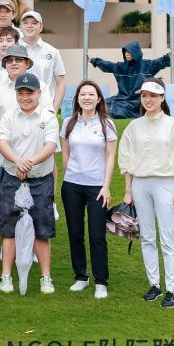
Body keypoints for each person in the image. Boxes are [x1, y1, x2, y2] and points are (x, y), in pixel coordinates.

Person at [119, 78, 174, 309]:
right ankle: (154, 284)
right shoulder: (134, 126)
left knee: (167, 237)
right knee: (147, 236)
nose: (148, 100)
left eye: (153, 95)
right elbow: (127, 160)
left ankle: (171, 290)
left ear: (162, 98)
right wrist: (128, 191)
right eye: (144, 96)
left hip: (166, 183)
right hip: (140, 184)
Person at [0, 73, 59, 294]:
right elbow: (2, 143)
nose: (25, 97)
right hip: (12, 178)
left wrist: (28, 163)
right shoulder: (8, 116)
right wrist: (18, 162)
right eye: (20, 93)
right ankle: (5, 275)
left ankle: (45, 277)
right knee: (9, 229)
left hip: (40, 179)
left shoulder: (48, 117)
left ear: (39, 93)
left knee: (42, 229)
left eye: (29, 93)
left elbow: (50, 146)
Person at [60, 80, 117, 300]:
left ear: (99, 98)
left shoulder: (106, 124)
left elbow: (110, 156)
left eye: (91, 94)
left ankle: (101, 282)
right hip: (72, 185)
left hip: (97, 188)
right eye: (82, 94)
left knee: (97, 235)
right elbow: (66, 153)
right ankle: (80, 277)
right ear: (77, 98)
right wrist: (68, 177)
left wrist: (106, 186)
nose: (86, 98)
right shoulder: (68, 122)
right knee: (75, 233)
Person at [90, 41, 171, 119]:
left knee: (120, 109)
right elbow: (108, 65)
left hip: (138, 100)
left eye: (129, 52)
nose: (126, 54)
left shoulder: (147, 66)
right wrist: (93, 60)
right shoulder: (121, 67)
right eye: (125, 52)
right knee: (101, 104)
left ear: (136, 53)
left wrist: (169, 57)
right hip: (121, 99)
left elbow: (160, 62)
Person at [0, 44, 51, 130]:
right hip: (3, 135)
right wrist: (5, 134)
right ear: (5, 65)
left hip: (35, 135)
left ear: (27, 64)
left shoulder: (41, 86)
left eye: (18, 60)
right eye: (9, 60)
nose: (13, 63)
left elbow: (48, 114)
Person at [18, 10, 66, 111]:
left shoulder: (52, 52)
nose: (29, 26)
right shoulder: (13, 51)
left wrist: (54, 108)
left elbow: (61, 83)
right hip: (18, 107)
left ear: (41, 27)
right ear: (20, 27)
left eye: (34, 23)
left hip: (45, 107)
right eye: (25, 23)